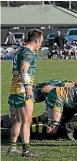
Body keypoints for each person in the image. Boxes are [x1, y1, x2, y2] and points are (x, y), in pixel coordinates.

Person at [7, 29, 43, 157]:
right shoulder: (28, 53)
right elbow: (23, 69)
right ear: (36, 40)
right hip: (22, 91)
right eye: (41, 42)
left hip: (15, 89)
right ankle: (26, 150)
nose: (41, 45)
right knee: (26, 121)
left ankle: (12, 147)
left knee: (18, 119)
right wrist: (28, 87)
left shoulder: (20, 50)